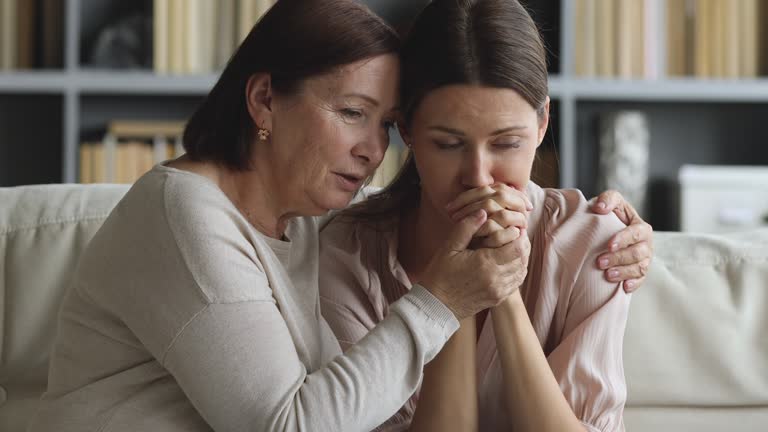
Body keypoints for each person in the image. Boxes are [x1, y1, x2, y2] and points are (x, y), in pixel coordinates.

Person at [29, 1, 650, 431]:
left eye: (381, 125)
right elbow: (289, 423)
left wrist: (628, 227)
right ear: (265, 99)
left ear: (543, 126)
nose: (372, 150)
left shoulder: (300, 224)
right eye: (352, 113)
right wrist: (448, 297)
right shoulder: (189, 215)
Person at [318, 0, 651, 431]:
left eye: (506, 143)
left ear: (543, 123)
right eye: (449, 144)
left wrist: (504, 293)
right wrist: (456, 296)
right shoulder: (347, 255)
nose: (478, 176)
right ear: (406, 130)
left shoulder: (596, 243)